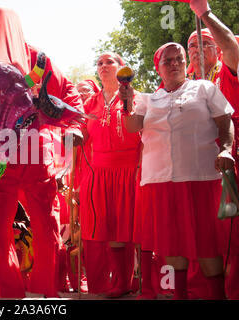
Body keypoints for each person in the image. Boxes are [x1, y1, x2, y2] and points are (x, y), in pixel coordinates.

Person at [0, 7, 84, 298]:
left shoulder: (34, 56)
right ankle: (13, 292)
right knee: (3, 226)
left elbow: (70, 93)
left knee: (37, 222)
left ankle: (42, 288)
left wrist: (73, 126)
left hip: (29, 152)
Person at [123, 42, 235, 300]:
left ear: (186, 63)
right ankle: (180, 295)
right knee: (172, 243)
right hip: (159, 179)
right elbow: (131, 126)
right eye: (167, 61)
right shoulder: (148, 99)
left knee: (207, 242)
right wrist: (127, 104)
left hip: (201, 176)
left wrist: (226, 149)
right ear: (158, 68)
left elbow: (224, 120)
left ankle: (218, 295)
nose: (174, 64)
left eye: (179, 59)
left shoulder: (204, 88)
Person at [186, 0, 239, 299]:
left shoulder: (228, 70)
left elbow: (232, 46)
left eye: (204, 43)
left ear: (216, 49)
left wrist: (203, 14)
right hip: (194, 169)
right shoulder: (183, 83)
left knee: (230, 237)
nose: (196, 50)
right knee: (200, 237)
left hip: (229, 163)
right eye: (192, 47)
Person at [79, 52, 140, 298]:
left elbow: (143, 133)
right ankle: (120, 282)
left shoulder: (136, 96)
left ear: (122, 68)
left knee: (130, 227)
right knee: (110, 228)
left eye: (110, 62)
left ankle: (134, 281)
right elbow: (83, 137)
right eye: (100, 63)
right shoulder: (90, 103)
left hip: (129, 168)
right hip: (100, 171)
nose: (104, 66)